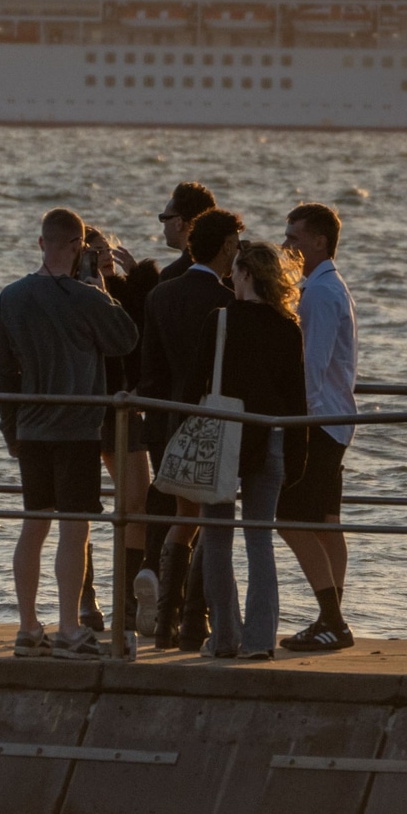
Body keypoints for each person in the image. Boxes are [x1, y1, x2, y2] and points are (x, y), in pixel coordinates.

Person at [0, 207, 139, 659]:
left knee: (34, 524)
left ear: (41, 243)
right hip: (77, 428)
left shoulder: (10, 297)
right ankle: (70, 627)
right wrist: (103, 290)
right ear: (78, 248)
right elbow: (126, 340)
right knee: (75, 529)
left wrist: (10, 428)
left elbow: (0, 371)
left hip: (30, 428)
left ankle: (28, 626)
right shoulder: (86, 297)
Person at [190, 240, 307, 659]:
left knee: (217, 539)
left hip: (223, 434)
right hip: (270, 436)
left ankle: (223, 636)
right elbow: (297, 402)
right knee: (260, 539)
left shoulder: (219, 321)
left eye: (234, 272)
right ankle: (259, 642)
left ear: (244, 274)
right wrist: (298, 458)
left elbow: (195, 385)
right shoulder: (287, 328)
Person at [139, 206, 242, 648]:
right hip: (213, 424)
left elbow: (150, 371)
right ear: (225, 248)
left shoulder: (161, 295)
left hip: (167, 423)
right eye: (235, 247)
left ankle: (167, 623)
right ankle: (193, 621)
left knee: (185, 516)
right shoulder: (228, 302)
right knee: (210, 518)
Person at [131, 180, 217, 629]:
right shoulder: (226, 283)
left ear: (184, 224)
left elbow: (150, 355)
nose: (162, 225)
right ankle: (189, 610)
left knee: (164, 493)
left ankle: (152, 574)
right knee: (204, 508)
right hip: (210, 414)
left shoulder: (166, 283)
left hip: (162, 412)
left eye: (165, 217)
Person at [277, 201, 359, 652]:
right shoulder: (321, 287)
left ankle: (331, 618)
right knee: (327, 522)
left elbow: (313, 366)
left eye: (294, 237)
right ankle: (333, 619)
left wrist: (294, 424)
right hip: (333, 418)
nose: (287, 244)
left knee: (288, 519)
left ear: (319, 241)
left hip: (319, 422)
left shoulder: (322, 294)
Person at [74, 224, 162, 633]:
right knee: (80, 508)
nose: (104, 256)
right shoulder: (70, 295)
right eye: (94, 252)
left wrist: (140, 281)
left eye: (107, 249)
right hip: (80, 409)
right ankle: (85, 600)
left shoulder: (125, 294)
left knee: (136, 503)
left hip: (122, 408)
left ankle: (128, 602)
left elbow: (140, 342)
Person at [156, 181, 217, 282]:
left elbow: (160, 296)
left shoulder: (173, 274)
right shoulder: (226, 266)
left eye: (164, 218)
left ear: (179, 223)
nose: (163, 223)